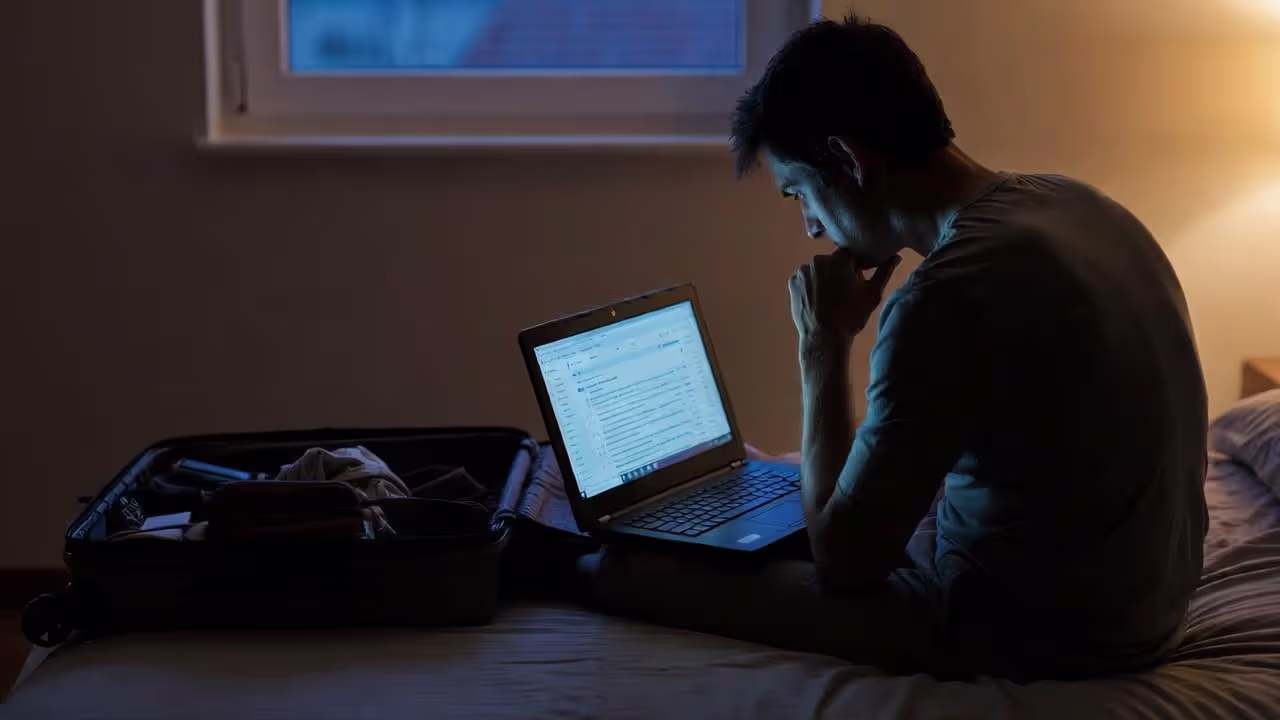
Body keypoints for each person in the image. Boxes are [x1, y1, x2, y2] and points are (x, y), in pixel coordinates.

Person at [578, 15, 1208, 682]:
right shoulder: (1084, 205)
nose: (811, 226)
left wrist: (821, 348)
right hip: (1151, 603)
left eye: (799, 194)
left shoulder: (947, 296)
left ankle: (560, 559)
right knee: (794, 502)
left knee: (634, 573)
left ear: (849, 160)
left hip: (1047, 634)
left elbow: (844, 564)